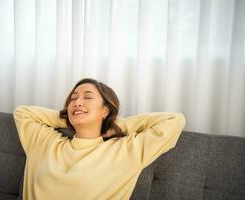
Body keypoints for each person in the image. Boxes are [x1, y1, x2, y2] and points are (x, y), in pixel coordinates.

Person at [13, 78, 186, 200]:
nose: (78, 102)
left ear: (105, 110)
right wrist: (69, 117)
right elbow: (22, 113)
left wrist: (117, 125)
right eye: (73, 99)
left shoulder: (124, 152)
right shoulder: (45, 142)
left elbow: (174, 121)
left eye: (87, 97)